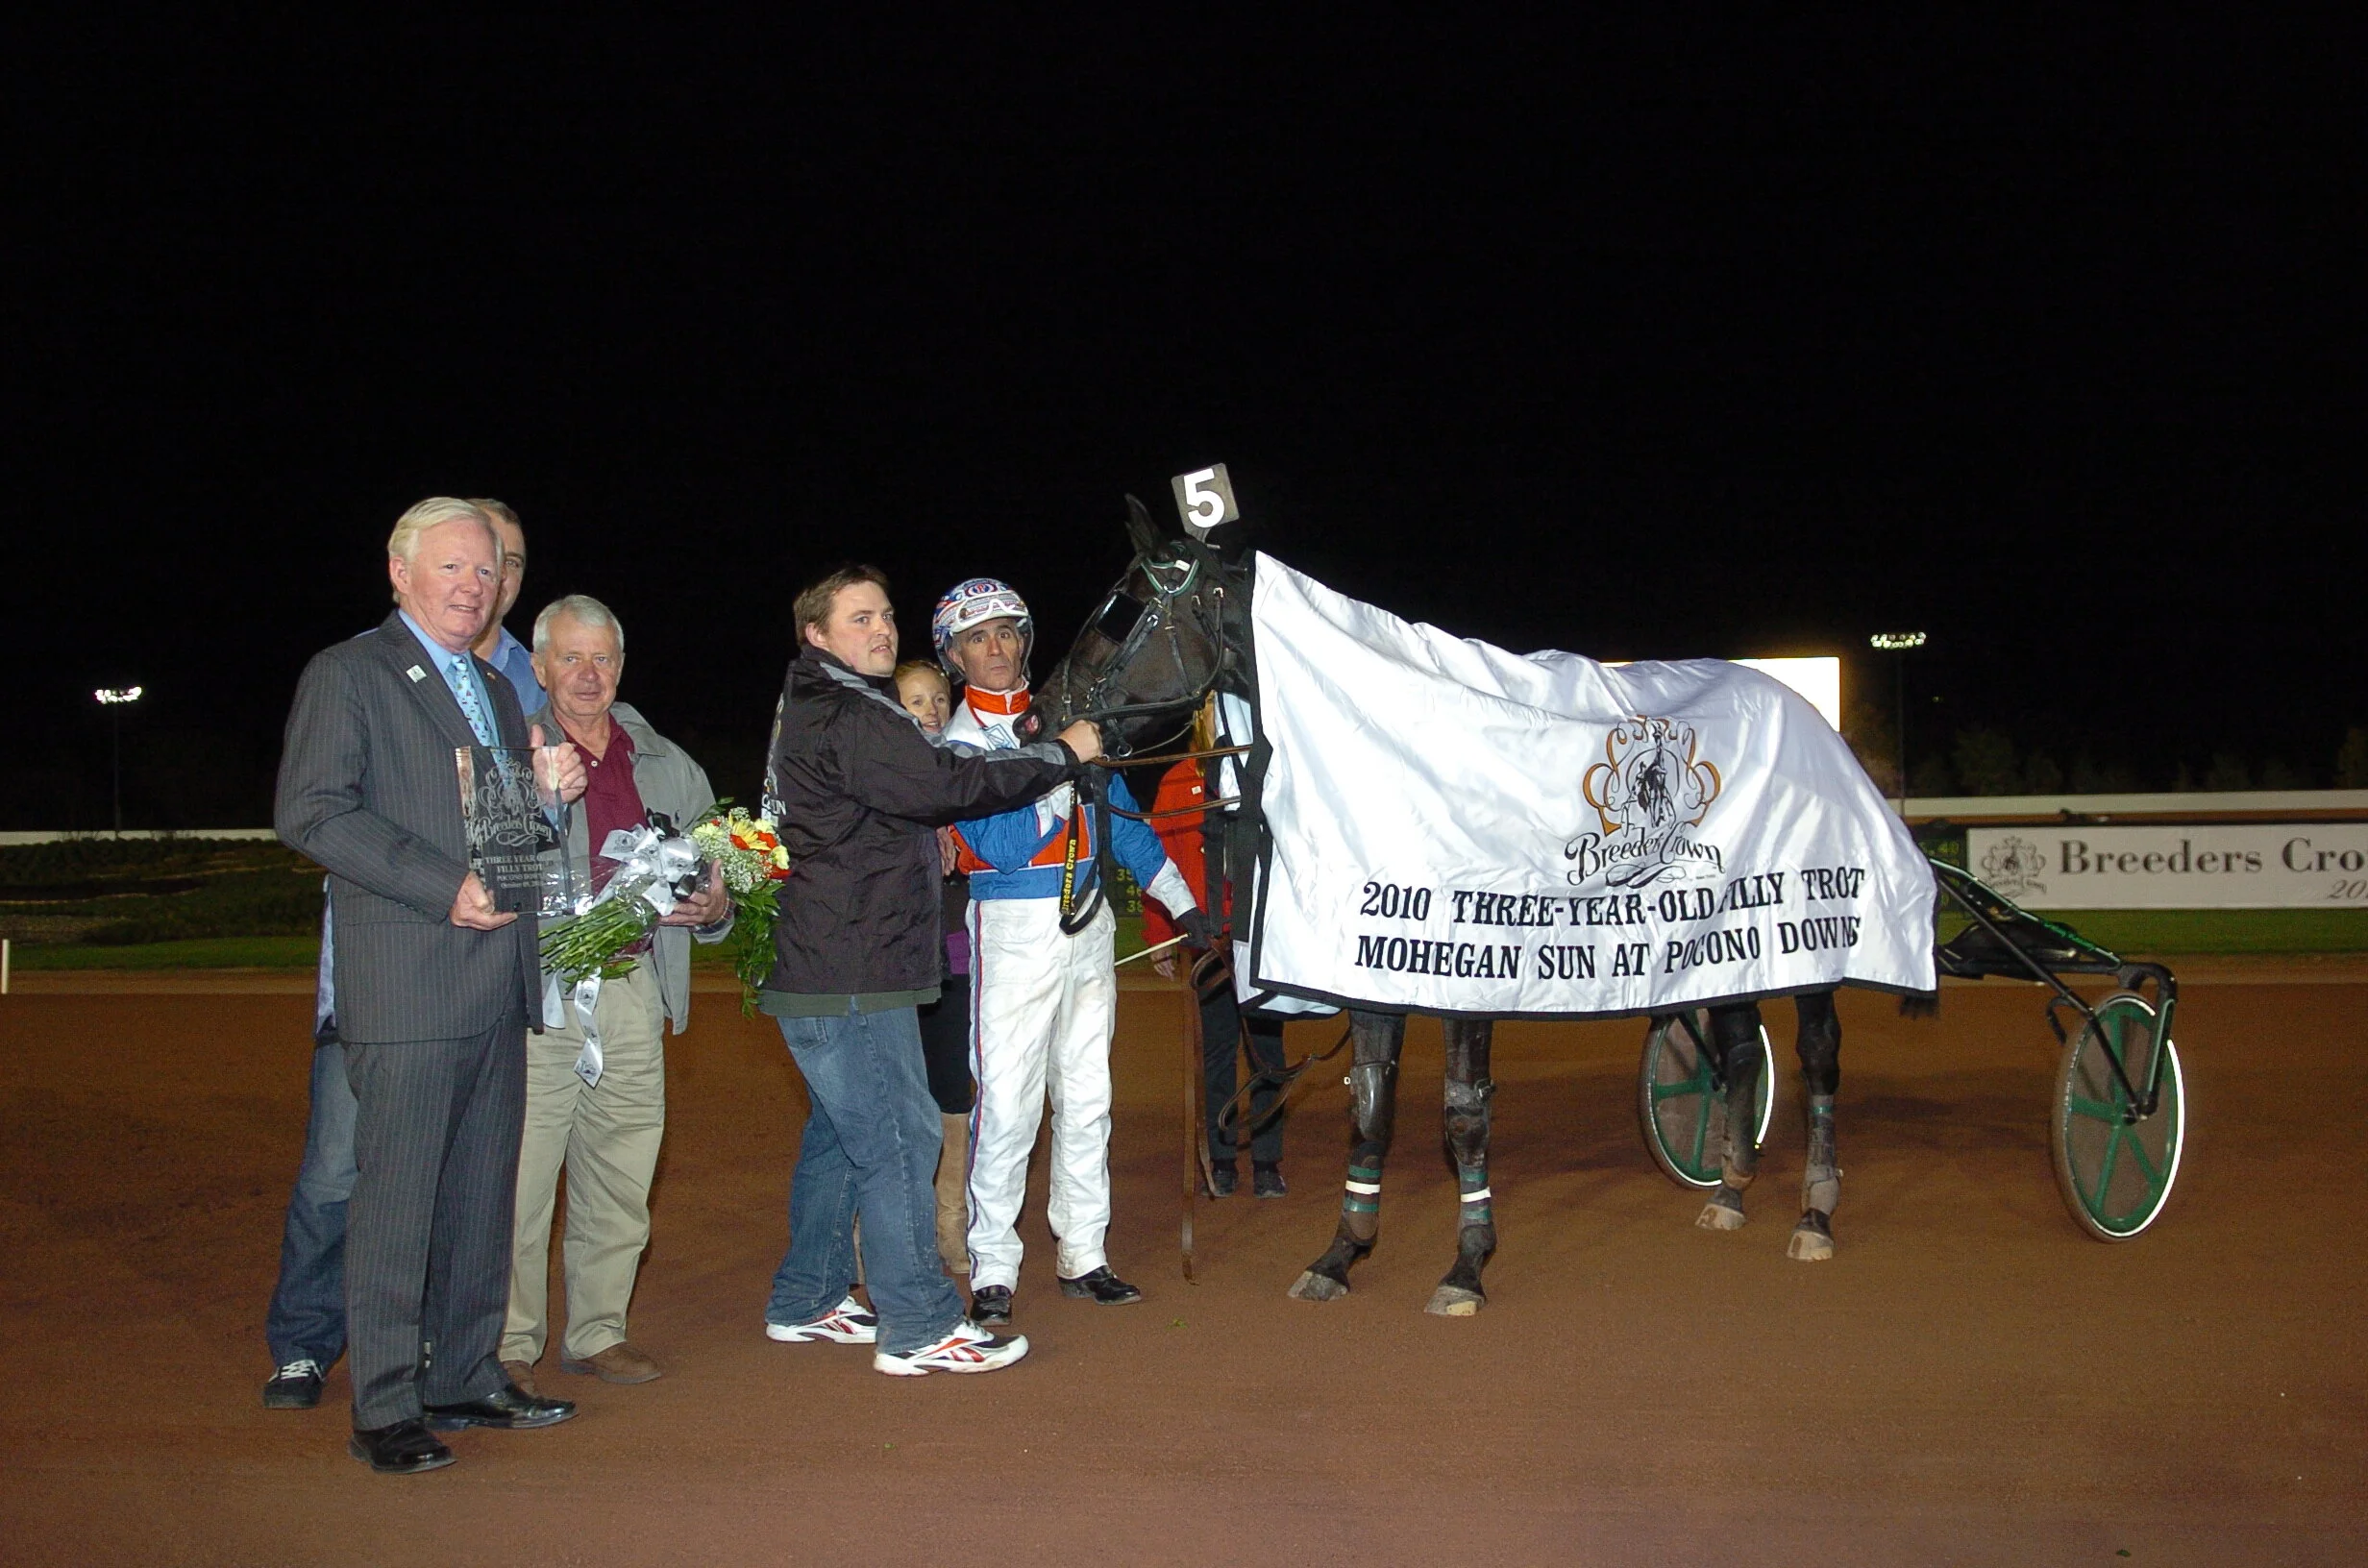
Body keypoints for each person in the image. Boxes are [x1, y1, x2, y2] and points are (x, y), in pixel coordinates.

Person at [276, 497, 587, 1474]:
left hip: (494, 980)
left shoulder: (497, 693)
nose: (471, 585)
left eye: (485, 571)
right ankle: (385, 1405)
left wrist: (543, 799)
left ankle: (464, 1375)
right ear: (400, 572)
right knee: (399, 1201)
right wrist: (438, 884)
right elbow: (312, 813)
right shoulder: (350, 673)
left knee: (477, 1200)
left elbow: (500, 841)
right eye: (451, 567)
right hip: (406, 984)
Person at [757, 564, 1102, 1376]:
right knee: (901, 1136)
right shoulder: (846, 711)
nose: (880, 630)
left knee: (841, 1138)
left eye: (884, 615)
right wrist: (1060, 754)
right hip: (853, 960)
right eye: (857, 620)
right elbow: (953, 784)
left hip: (834, 955)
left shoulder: (826, 702)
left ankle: (806, 1298)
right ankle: (917, 1323)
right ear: (817, 636)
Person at [933, 576, 1208, 1326]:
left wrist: (1185, 904)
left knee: (1088, 1099)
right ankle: (994, 1266)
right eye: (977, 638)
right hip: (1015, 932)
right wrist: (1063, 764)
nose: (996, 648)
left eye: (1007, 632)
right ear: (954, 656)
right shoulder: (959, 747)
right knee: (1010, 1104)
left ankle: (1084, 1253)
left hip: (1090, 930)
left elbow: (1124, 820)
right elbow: (1004, 841)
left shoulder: (1071, 724)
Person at [502, 595, 733, 1395]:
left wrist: (716, 903)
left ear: (622, 667)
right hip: (539, 994)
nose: (588, 674)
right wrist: (534, 795)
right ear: (538, 668)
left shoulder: (663, 758)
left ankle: (598, 1330)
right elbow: (494, 874)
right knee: (521, 1181)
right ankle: (508, 1344)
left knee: (622, 1170)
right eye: (570, 658)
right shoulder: (509, 749)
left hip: (636, 989)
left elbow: (718, 859)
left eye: (602, 658)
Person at [1144, 717, 1290, 1199]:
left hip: (1261, 937)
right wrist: (1162, 932)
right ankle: (1222, 1158)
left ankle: (1267, 1161)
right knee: (1219, 1050)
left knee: (1267, 1052)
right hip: (1207, 940)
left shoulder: (1266, 773)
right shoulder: (1180, 778)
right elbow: (1158, 855)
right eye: (1208, 709)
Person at [896, 659, 975, 1275]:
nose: (930, 710)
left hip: (951, 964)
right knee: (895, 1100)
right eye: (915, 700)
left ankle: (950, 1228)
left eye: (939, 699)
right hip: (890, 969)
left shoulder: (962, 775)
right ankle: (888, 1235)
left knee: (953, 1093)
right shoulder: (878, 777)